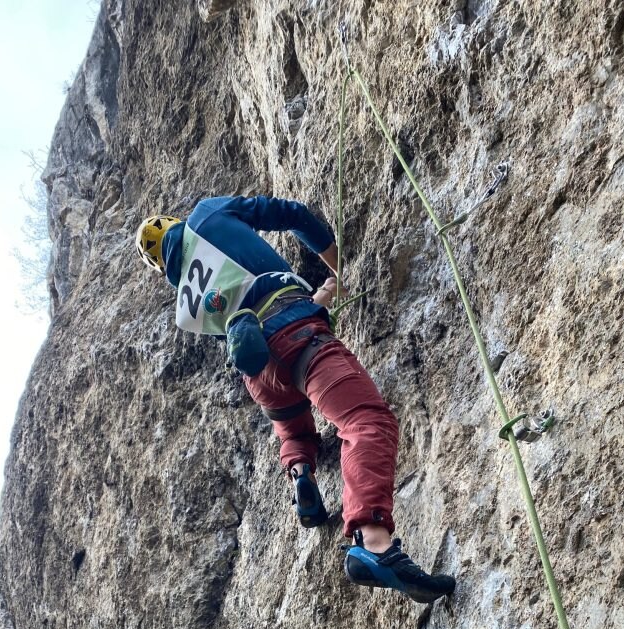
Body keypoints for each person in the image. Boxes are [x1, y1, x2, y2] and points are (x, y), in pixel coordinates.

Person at [135, 195, 455, 603]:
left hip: (261, 371)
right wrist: (335, 257)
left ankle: (302, 472)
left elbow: (250, 308)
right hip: (297, 334)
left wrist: (317, 299)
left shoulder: (188, 304)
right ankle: (372, 541)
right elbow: (290, 215)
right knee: (366, 421)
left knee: (293, 425)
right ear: (173, 222)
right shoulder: (206, 216)